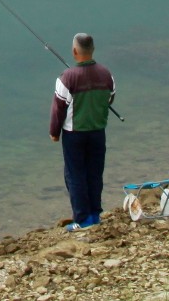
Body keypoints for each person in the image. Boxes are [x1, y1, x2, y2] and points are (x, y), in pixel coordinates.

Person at [48, 32, 115, 229]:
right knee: (95, 173)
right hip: (98, 131)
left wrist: (54, 132)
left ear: (74, 51)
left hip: (74, 134)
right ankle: (95, 214)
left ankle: (82, 219)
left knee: (75, 175)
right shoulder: (106, 74)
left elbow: (58, 108)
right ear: (92, 50)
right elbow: (110, 98)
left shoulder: (67, 78)